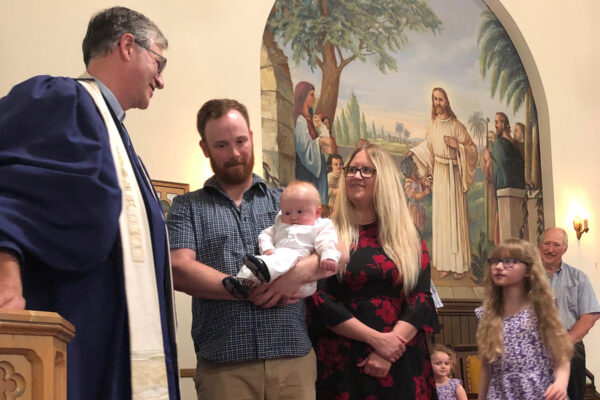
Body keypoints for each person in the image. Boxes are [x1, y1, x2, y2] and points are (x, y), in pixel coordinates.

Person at [0, 6, 179, 399]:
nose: (161, 80)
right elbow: (11, 190)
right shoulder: (62, 98)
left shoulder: (116, 136)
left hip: (110, 347)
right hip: (79, 345)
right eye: (159, 62)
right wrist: (6, 277)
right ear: (127, 46)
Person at [167, 99, 340, 399]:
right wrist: (243, 289)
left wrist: (289, 278)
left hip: (293, 358)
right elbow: (179, 269)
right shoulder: (187, 206)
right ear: (205, 148)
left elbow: (334, 246)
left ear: (251, 136)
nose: (234, 153)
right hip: (224, 364)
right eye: (221, 145)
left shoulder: (287, 199)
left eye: (240, 141)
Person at [308, 142, 440, 399]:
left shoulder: (408, 235)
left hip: (400, 359)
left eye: (367, 170)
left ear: (385, 179)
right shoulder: (326, 232)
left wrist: (388, 348)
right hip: (343, 360)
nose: (356, 176)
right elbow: (319, 297)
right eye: (352, 170)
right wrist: (377, 341)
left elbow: (422, 297)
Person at [476, 239, 573, 400]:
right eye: (495, 261)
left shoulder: (540, 311)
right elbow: (487, 366)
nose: (499, 267)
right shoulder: (487, 314)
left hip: (536, 392)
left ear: (528, 270)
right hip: (501, 393)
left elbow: (561, 357)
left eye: (508, 262)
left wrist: (560, 384)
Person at [222, 181, 341, 299]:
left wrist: (328, 256)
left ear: (317, 212)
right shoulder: (280, 223)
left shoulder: (321, 225)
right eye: (287, 212)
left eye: (300, 211)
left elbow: (327, 240)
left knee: (286, 255)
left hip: (300, 270)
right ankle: (242, 283)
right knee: (257, 260)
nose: (293, 217)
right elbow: (265, 235)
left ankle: (265, 271)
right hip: (275, 260)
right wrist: (267, 249)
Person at [408, 87, 478, 280]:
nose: (437, 102)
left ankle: (458, 265)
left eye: (440, 99)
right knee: (442, 219)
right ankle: (445, 264)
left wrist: (458, 146)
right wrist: (413, 153)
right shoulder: (433, 126)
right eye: (434, 99)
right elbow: (428, 148)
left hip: (453, 174)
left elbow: (472, 150)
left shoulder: (456, 126)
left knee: (454, 218)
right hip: (439, 173)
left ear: (446, 102)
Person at [540, 227, 600, 400]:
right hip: (535, 348)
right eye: (547, 243)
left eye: (556, 245)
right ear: (540, 245)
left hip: (570, 347)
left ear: (564, 249)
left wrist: (564, 342)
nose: (550, 249)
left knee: (572, 396)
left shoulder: (578, 278)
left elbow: (590, 315)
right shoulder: (525, 277)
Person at [294, 81, 333, 204]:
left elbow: (325, 139)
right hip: (307, 171)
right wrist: (320, 141)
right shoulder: (300, 121)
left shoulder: (311, 119)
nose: (314, 98)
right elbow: (303, 148)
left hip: (318, 167)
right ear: (303, 96)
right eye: (311, 95)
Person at [491, 112, 525, 190]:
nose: (495, 125)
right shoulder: (510, 143)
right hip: (512, 188)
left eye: (497, 122)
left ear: (502, 124)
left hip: (507, 187)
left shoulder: (499, 143)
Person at [401, 155, 431, 232]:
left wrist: (426, 173)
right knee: (415, 224)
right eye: (414, 163)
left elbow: (421, 183)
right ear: (410, 168)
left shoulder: (416, 178)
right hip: (414, 208)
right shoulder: (409, 182)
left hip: (419, 206)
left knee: (421, 223)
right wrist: (424, 193)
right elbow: (415, 195)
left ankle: (420, 236)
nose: (416, 164)